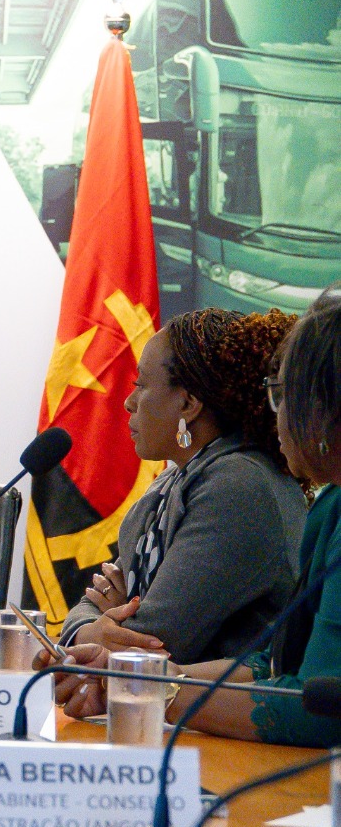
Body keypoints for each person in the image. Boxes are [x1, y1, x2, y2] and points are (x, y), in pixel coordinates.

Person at [58, 287, 341, 746]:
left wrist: (148, 685)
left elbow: (319, 707)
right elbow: (271, 664)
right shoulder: (330, 506)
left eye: (282, 395)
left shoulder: (241, 485)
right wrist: (126, 669)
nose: (276, 414)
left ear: (326, 407)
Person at [57, 309, 305, 664]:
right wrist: (89, 630)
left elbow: (154, 642)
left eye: (141, 385)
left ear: (188, 403)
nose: (129, 402)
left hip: (210, 698)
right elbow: (94, 599)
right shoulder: (172, 483)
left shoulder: (239, 487)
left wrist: (105, 624)